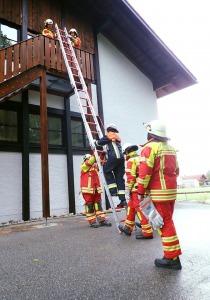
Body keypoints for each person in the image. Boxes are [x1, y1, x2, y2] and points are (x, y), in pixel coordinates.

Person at [137, 120, 182, 270]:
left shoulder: (149, 148)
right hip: (170, 192)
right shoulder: (170, 148)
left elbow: (144, 174)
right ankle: (173, 256)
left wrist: (140, 192)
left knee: (164, 224)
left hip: (158, 193)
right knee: (168, 221)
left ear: (150, 132)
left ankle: (171, 258)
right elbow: (177, 171)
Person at [118, 143, 153, 239]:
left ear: (127, 152)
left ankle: (147, 232)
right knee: (131, 207)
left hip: (135, 189)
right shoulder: (141, 158)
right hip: (143, 187)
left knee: (140, 209)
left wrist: (127, 191)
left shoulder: (131, 160)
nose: (125, 155)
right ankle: (128, 228)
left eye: (125, 153)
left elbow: (131, 178)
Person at [95, 124, 127, 208]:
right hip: (121, 159)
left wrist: (95, 142)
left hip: (114, 157)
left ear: (109, 130)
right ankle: (123, 200)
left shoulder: (110, 135)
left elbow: (99, 143)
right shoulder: (117, 137)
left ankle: (113, 190)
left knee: (106, 170)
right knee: (119, 178)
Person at [80, 153, 112, 228]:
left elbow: (100, 163)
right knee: (90, 206)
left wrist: (102, 155)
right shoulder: (83, 166)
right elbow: (90, 162)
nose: (90, 160)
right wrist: (94, 154)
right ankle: (92, 221)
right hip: (88, 190)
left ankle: (102, 220)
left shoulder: (94, 166)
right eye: (88, 159)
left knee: (98, 206)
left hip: (96, 189)